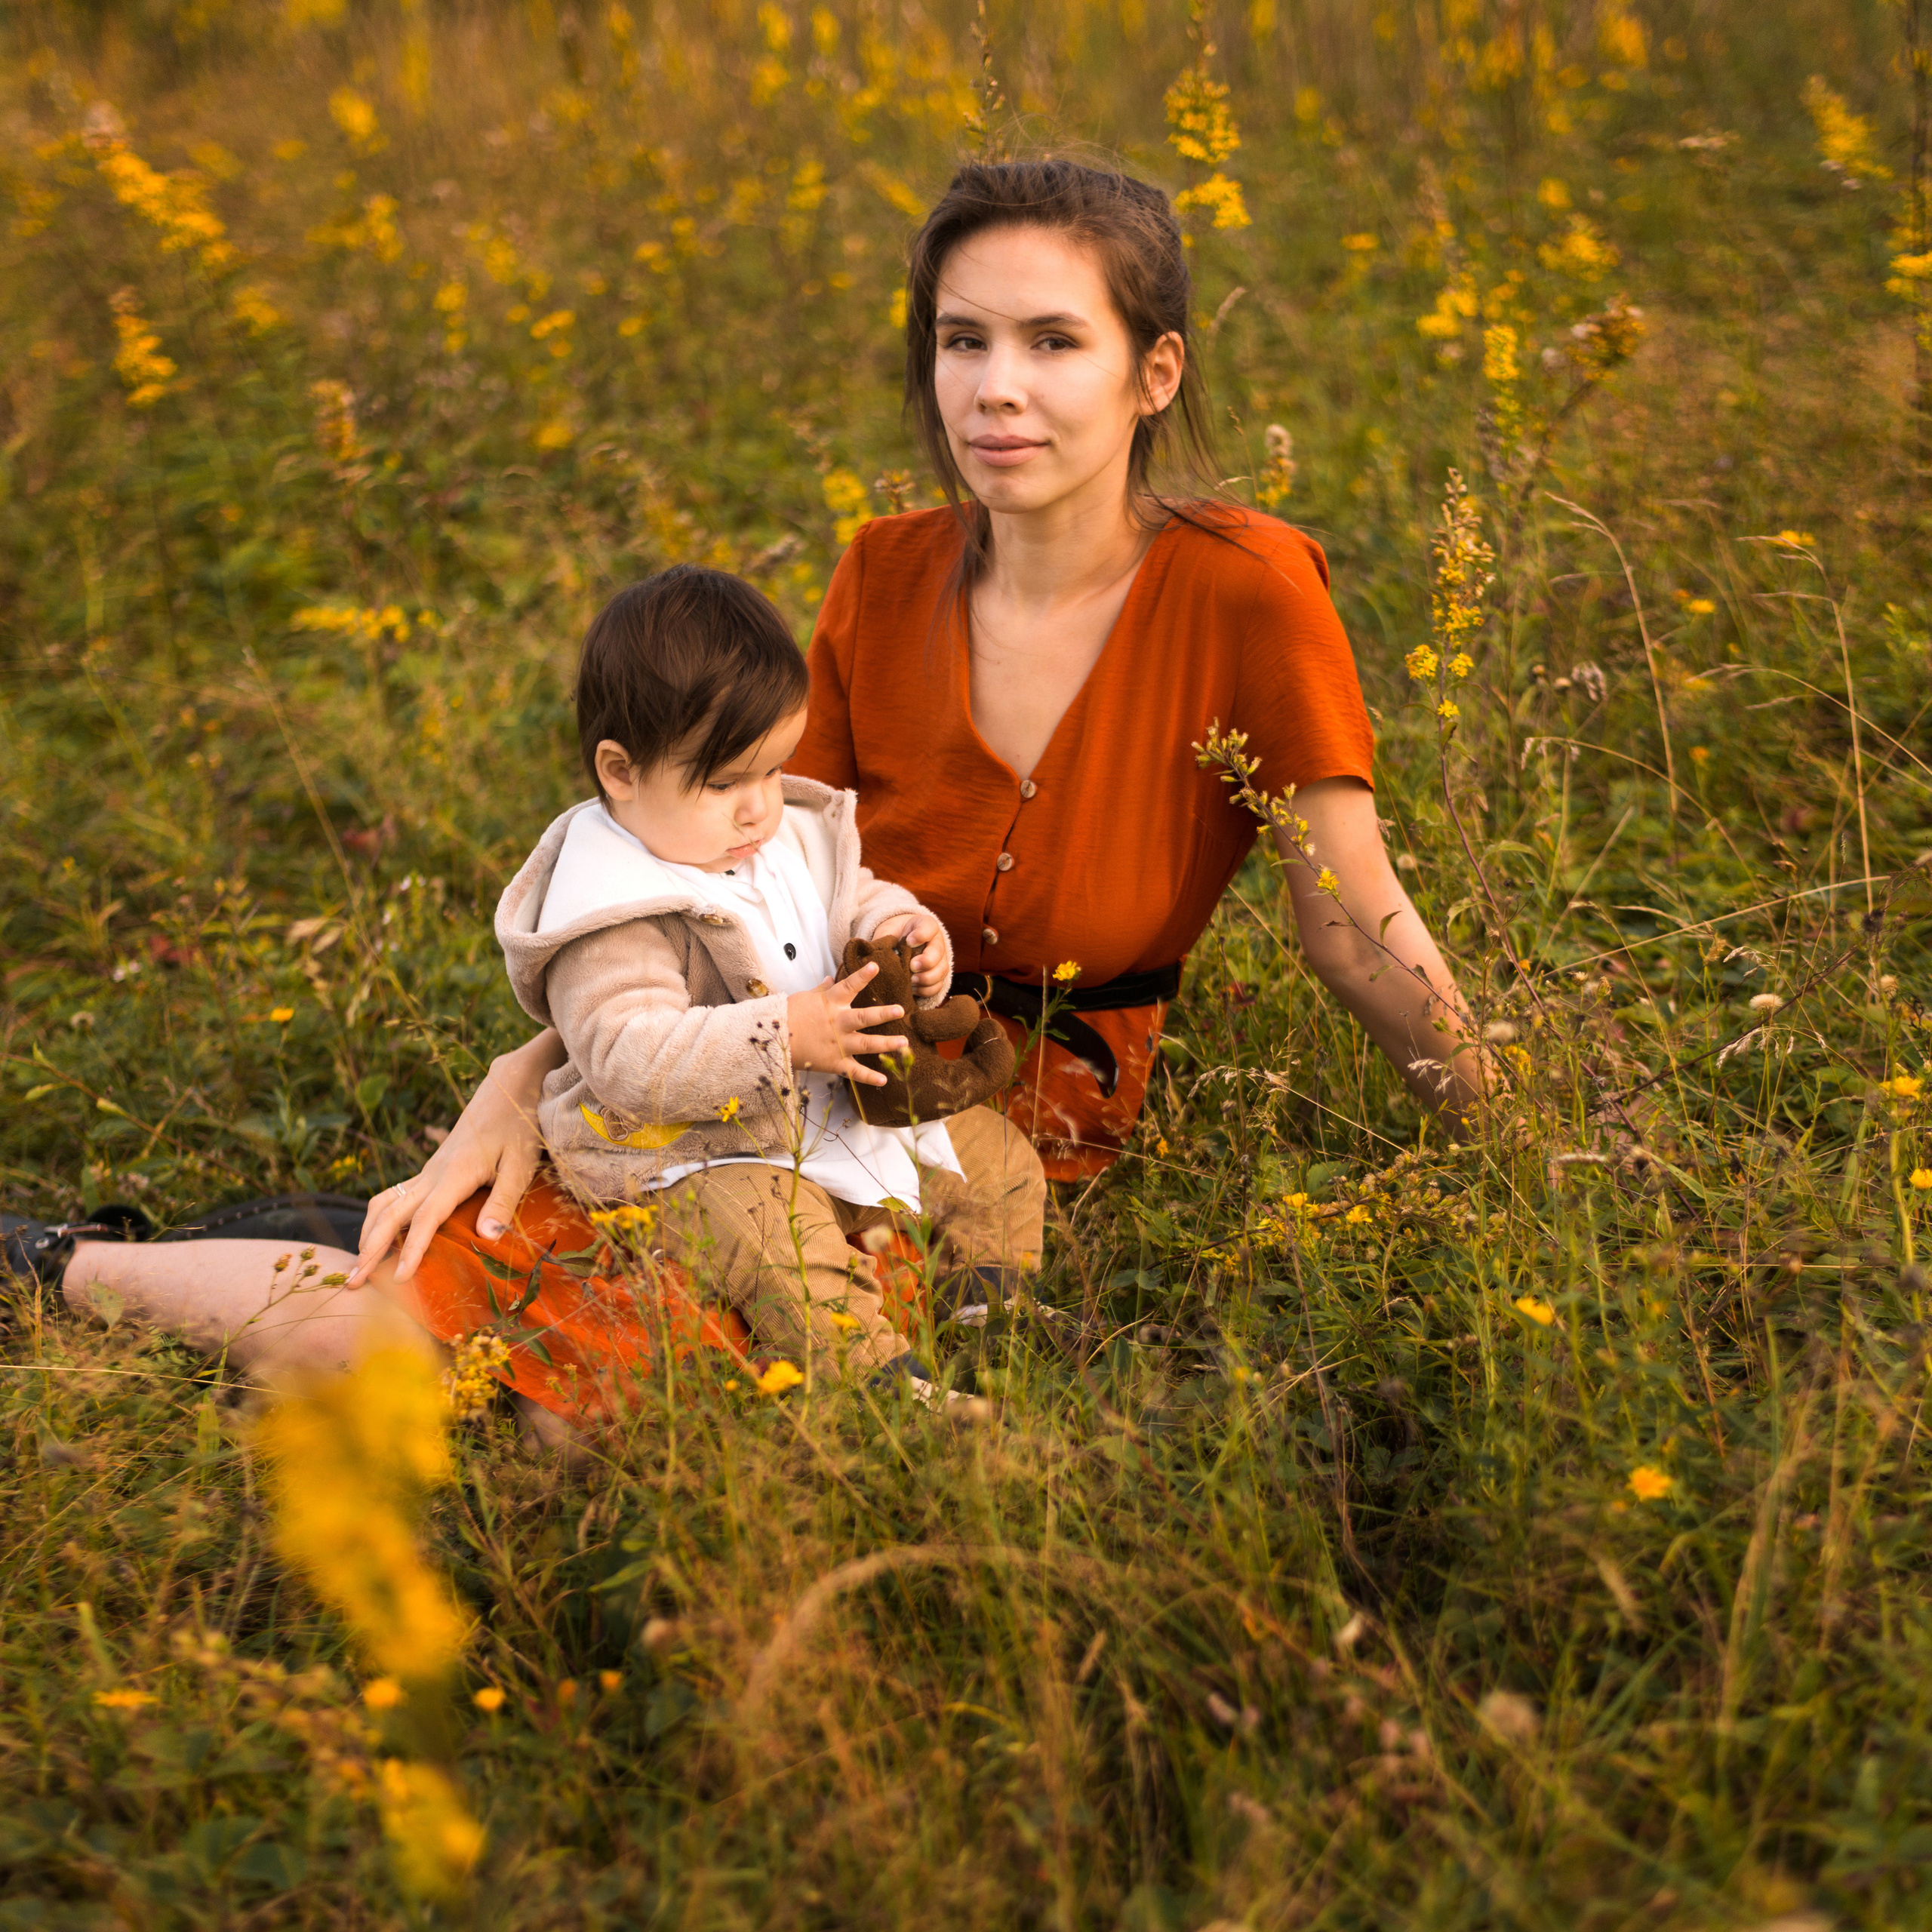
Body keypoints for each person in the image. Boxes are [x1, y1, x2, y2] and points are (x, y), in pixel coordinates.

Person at [40, 156, 1481, 1419]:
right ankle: (59, 1266)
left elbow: (1351, 929)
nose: (995, 387)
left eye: (1055, 341)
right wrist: (525, 1074)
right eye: (962, 338)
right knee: (401, 1328)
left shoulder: (1245, 591)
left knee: (581, 1407)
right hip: (747, 1084)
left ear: (1153, 372)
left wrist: (1526, 1147)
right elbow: (751, 892)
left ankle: (191, 1258)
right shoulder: (887, 573)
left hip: (971, 1143)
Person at [490, 564, 1043, 1410]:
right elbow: (625, 1058)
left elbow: (851, 897)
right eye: (725, 783)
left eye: (775, 770)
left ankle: (991, 1310)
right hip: (696, 1155)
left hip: (836, 1112)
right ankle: (886, 1389)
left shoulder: (774, 833)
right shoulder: (609, 910)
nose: (760, 808)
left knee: (994, 1157)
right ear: (620, 771)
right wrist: (782, 1033)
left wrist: (907, 933)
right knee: (777, 1240)